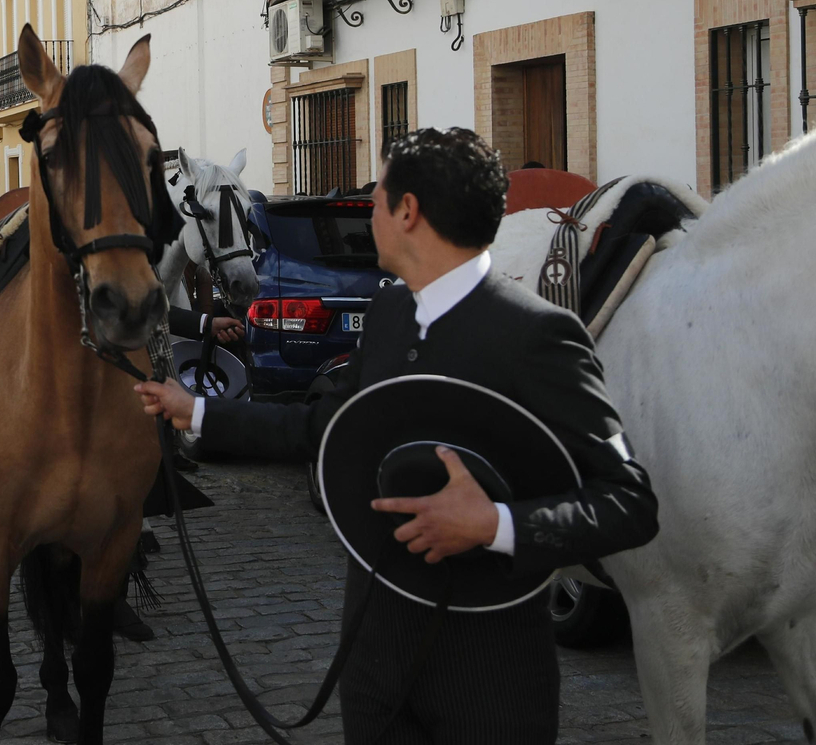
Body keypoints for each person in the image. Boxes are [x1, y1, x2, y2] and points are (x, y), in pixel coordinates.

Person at [135, 128, 658, 744]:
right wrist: (195, 412)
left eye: (377, 197)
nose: (368, 210)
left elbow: (629, 503)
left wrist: (495, 524)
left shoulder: (541, 336)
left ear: (408, 212)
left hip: (490, 680)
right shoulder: (388, 317)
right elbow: (323, 426)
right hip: (377, 661)